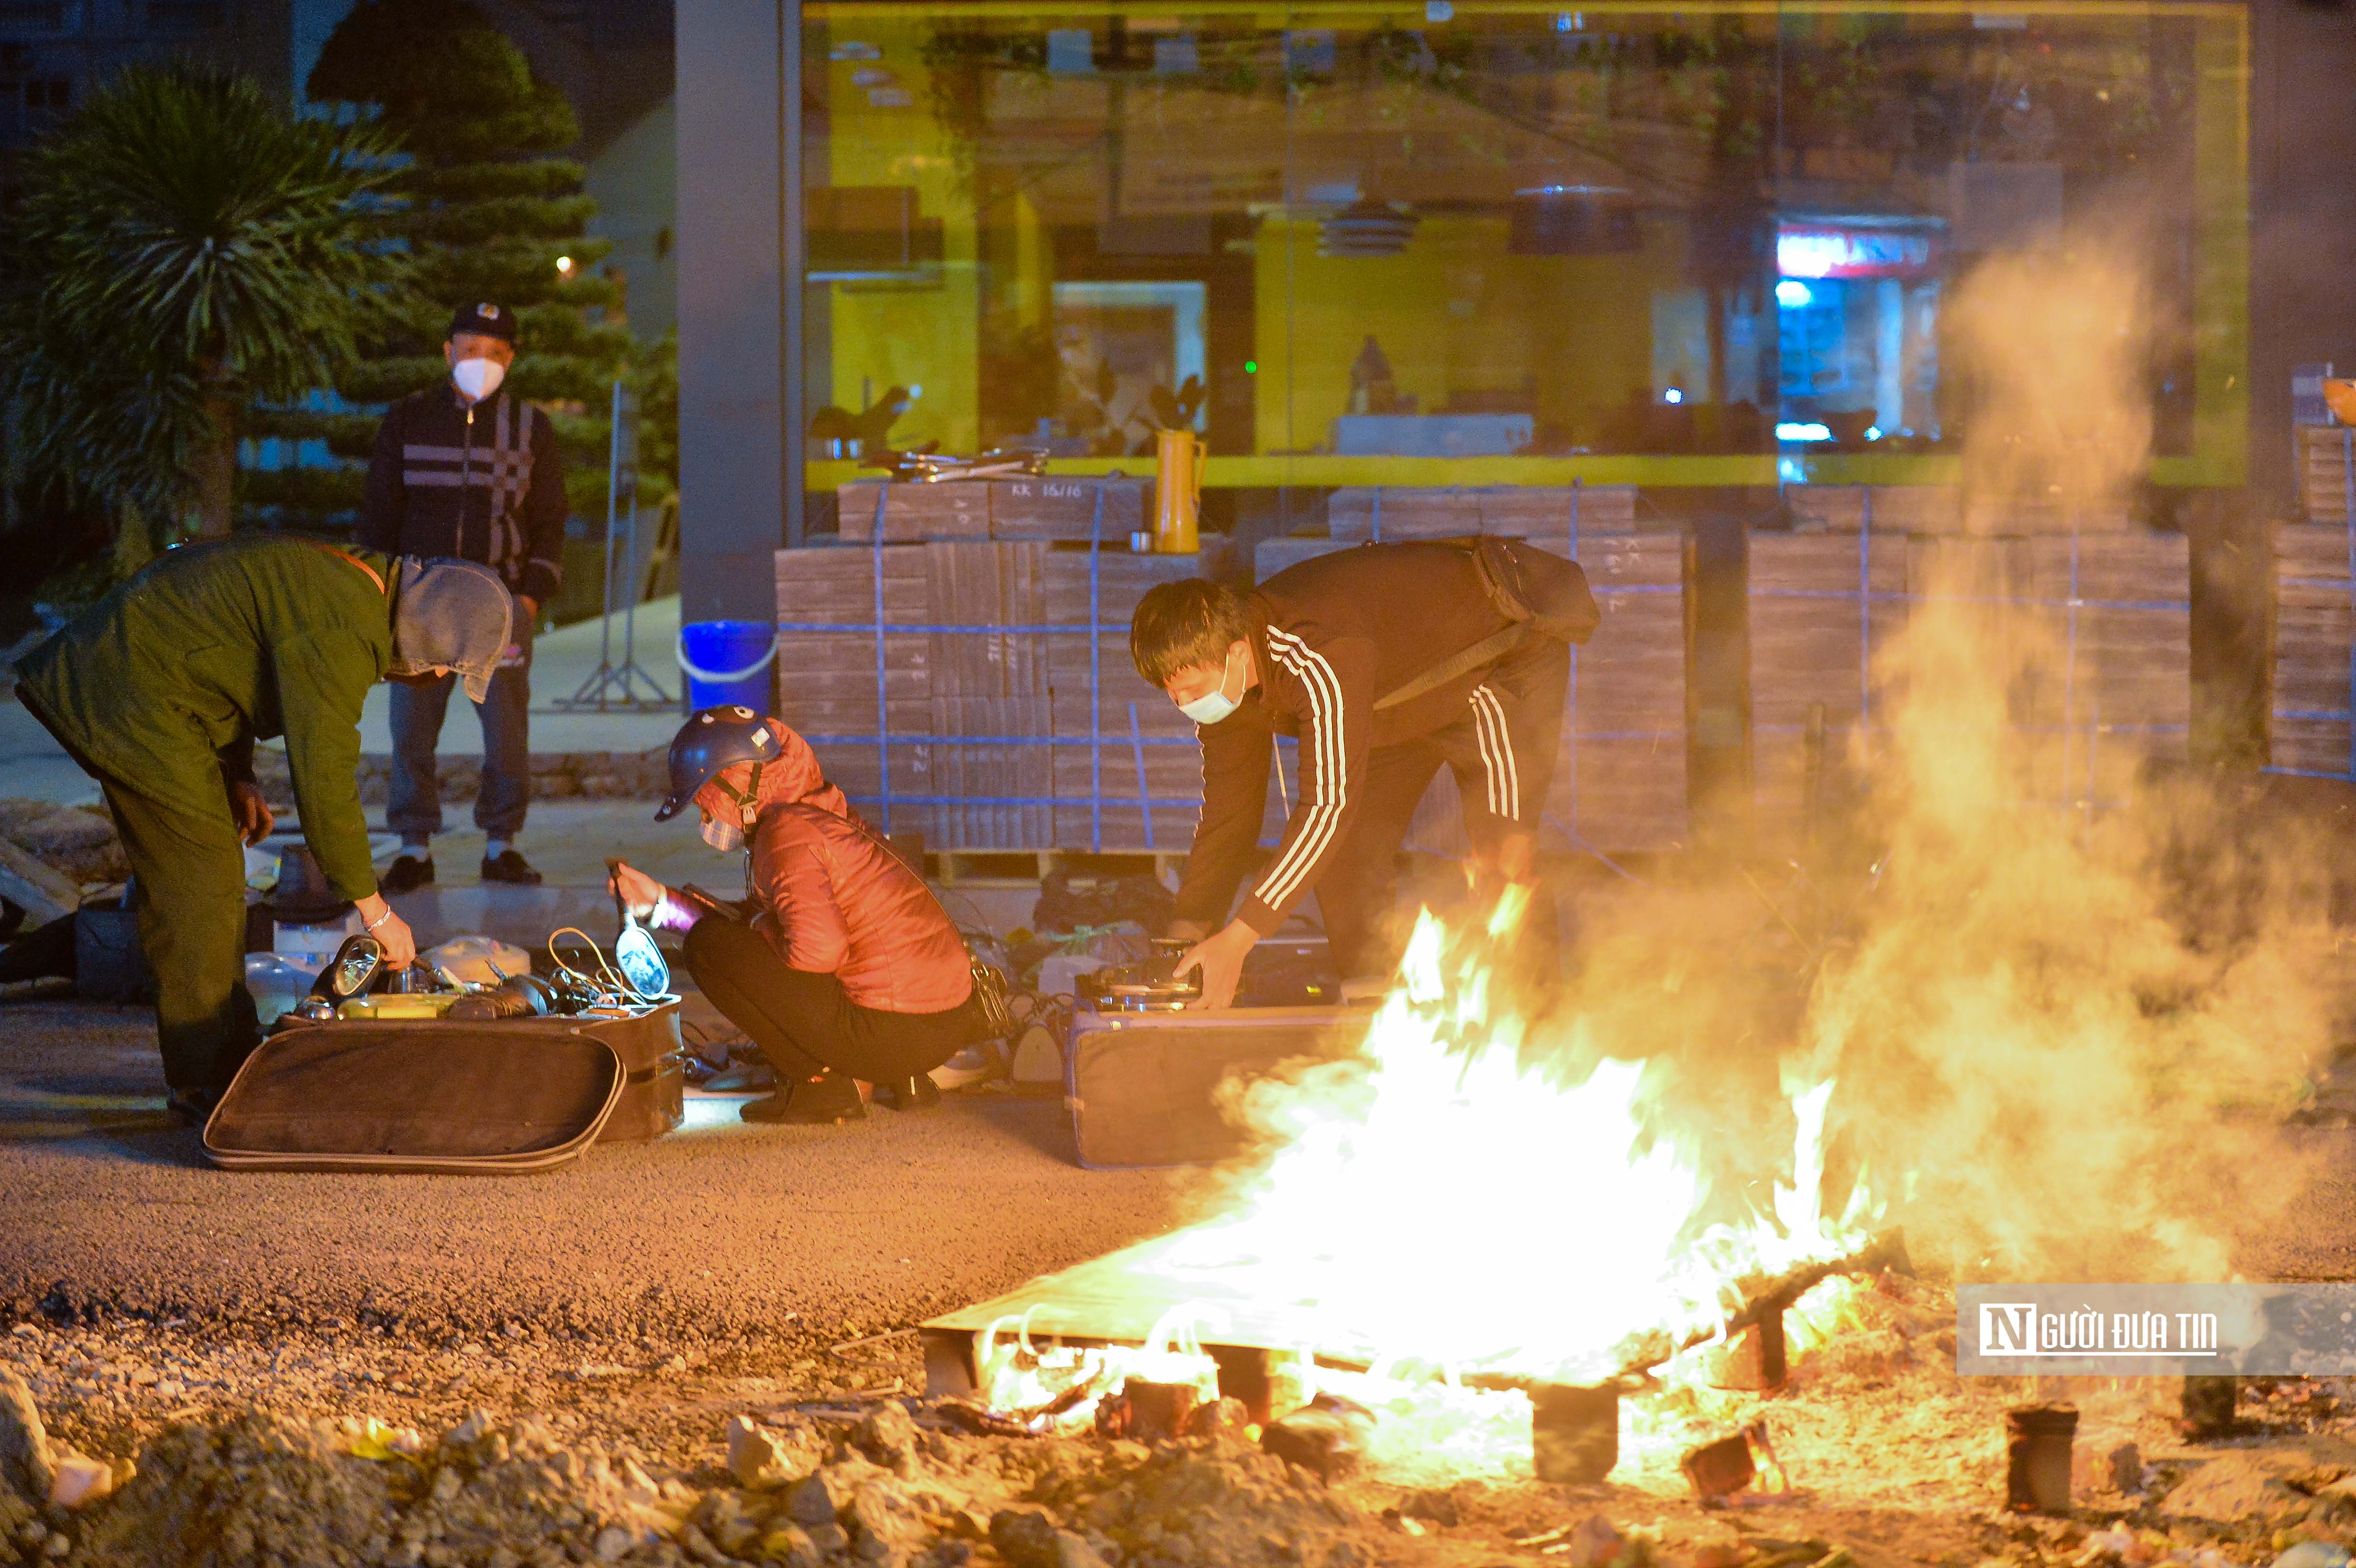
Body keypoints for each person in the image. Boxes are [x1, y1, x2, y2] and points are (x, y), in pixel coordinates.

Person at [13, 537, 513, 1122]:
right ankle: (202, 1081)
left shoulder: (357, 591)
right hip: (131, 695)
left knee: (216, 879)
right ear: (431, 637)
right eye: (444, 667)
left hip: (161, 692)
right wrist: (375, 909)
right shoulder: (340, 629)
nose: (432, 678)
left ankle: (228, 1059)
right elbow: (324, 779)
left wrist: (238, 774)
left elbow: (227, 660)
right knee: (197, 885)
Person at [1131, 539, 1597, 1009]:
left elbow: (1326, 806)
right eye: (1173, 695)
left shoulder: (1318, 650)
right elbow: (1229, 816)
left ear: (1234, 654)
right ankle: (1384, 1010)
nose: (1185, 705)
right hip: (1393, 700)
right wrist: (1187, 931)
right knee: (1346, 859)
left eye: (1191, 691)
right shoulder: (1225, 696)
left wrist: (1239, 937)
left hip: (1492, 667)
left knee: (1504, 861)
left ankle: (1538, 1021)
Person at [607, 707, 988, 1125]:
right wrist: (659, 902)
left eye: (704, 804)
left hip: (895, 1034)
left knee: (709, 947)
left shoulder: (787, 834)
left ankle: (823, 1087)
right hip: (941, 1023)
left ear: (738, 787)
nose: (705, 820)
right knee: (734, 937)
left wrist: (750, 928)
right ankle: (902, 1080)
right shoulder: (821, 812)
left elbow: (817, 952)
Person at [360, 301, 570, 893]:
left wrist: (531, 594)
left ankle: (502, 844)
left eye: (497, 353)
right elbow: (379, 511)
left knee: (506, 730)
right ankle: (413, 846)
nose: (483, 362)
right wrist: (381, 589)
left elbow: (551, 516)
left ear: (512, 359)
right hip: (421, 602)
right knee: (411, 729)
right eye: (472, 349)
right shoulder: (407, 420)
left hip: (500, 605)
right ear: (448, 351)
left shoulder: (531, 427)